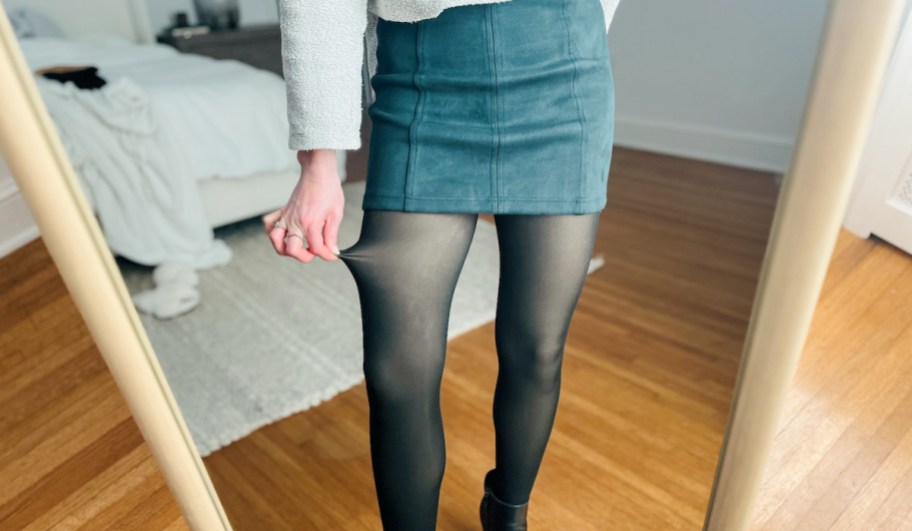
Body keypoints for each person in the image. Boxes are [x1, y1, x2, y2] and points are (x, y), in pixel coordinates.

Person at [263, 0, 619, 529]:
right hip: (422, 77)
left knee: (537, 349)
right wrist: (319, 159)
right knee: (396, 372)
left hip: (563, 70)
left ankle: (507, 512)